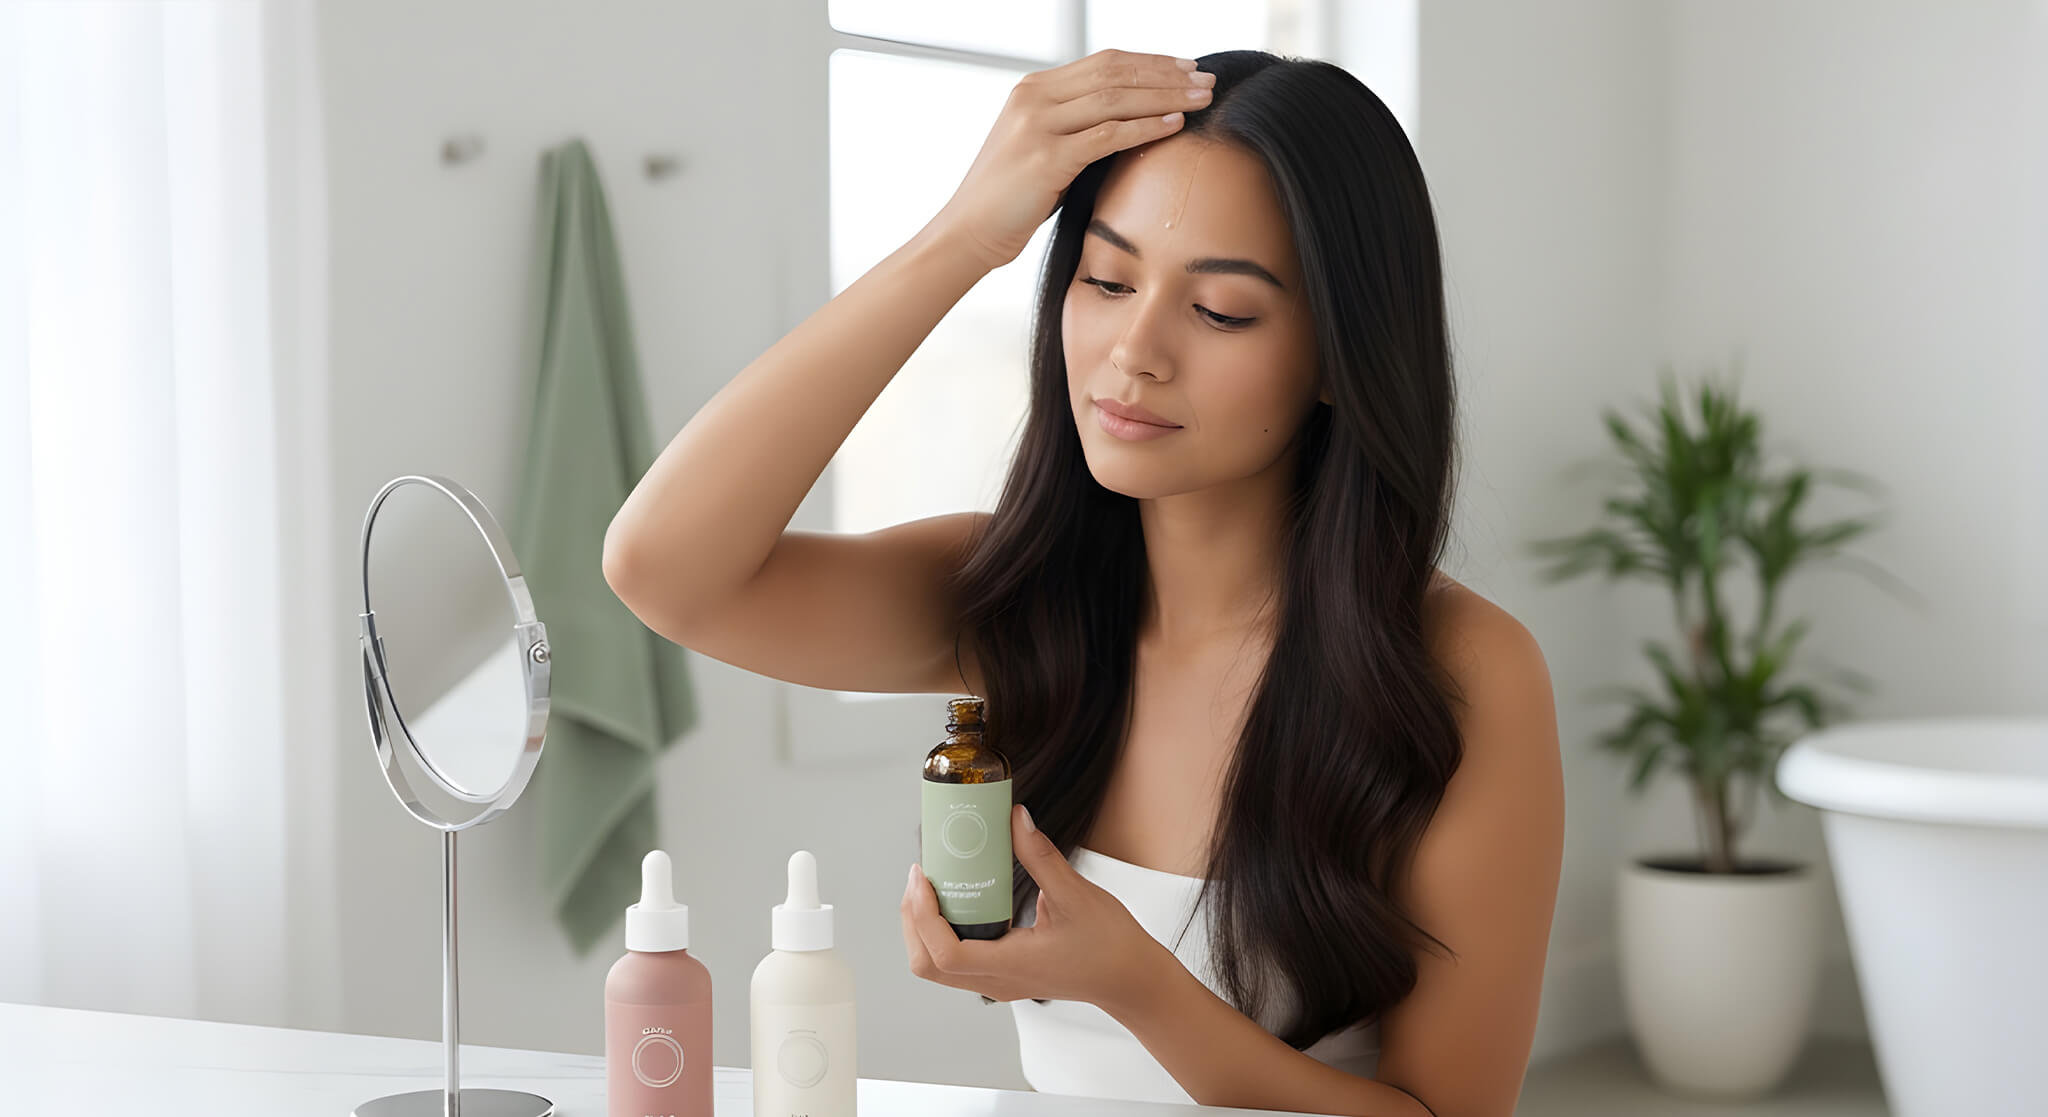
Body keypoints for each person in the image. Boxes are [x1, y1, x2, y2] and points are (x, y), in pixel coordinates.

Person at [604, 47, 1564, 1117]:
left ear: (1341, 356)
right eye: (1104, 282)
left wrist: (1133, 983)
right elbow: (662, 568)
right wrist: (962, 236)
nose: (1132, 352)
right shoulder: (1015, 600)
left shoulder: (1460, 673)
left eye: (1220, 312)